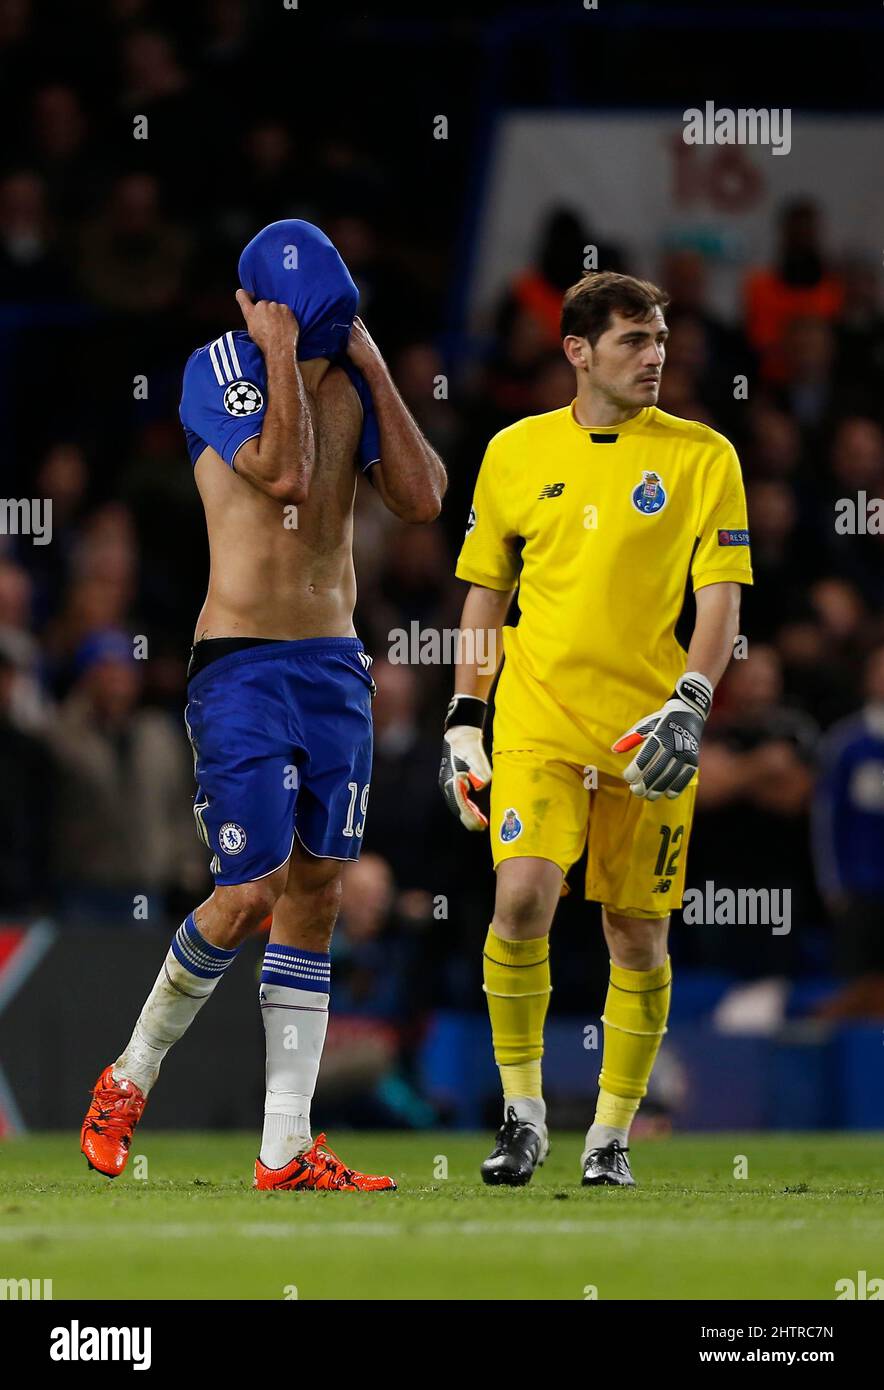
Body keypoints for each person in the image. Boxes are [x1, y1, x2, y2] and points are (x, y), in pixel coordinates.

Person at [81, 219, 445, 1193]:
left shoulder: (347, 368)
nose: (327, 341)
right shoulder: (220, 368)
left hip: (333, 658)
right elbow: (282, 472)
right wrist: (284, 350)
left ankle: (285, 1147)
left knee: (318, 892)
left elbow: (420, 499)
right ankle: (129, 1074)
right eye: (314, 327)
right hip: (241, 659)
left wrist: (365, 360)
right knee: (248, 892)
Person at [440, 271, 752, 1187]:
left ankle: (611, 1135)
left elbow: (721, 599)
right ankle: (524, 1116)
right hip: (538, 719)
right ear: (577, 351)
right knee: (522, 898)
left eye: (659, 339)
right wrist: (466, 716)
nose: (655, 356)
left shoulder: (704, 457)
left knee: (635, 934)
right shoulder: (515, 452)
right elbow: (485, 594)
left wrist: (693, 704)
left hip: (649, 733)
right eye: (633, 341)